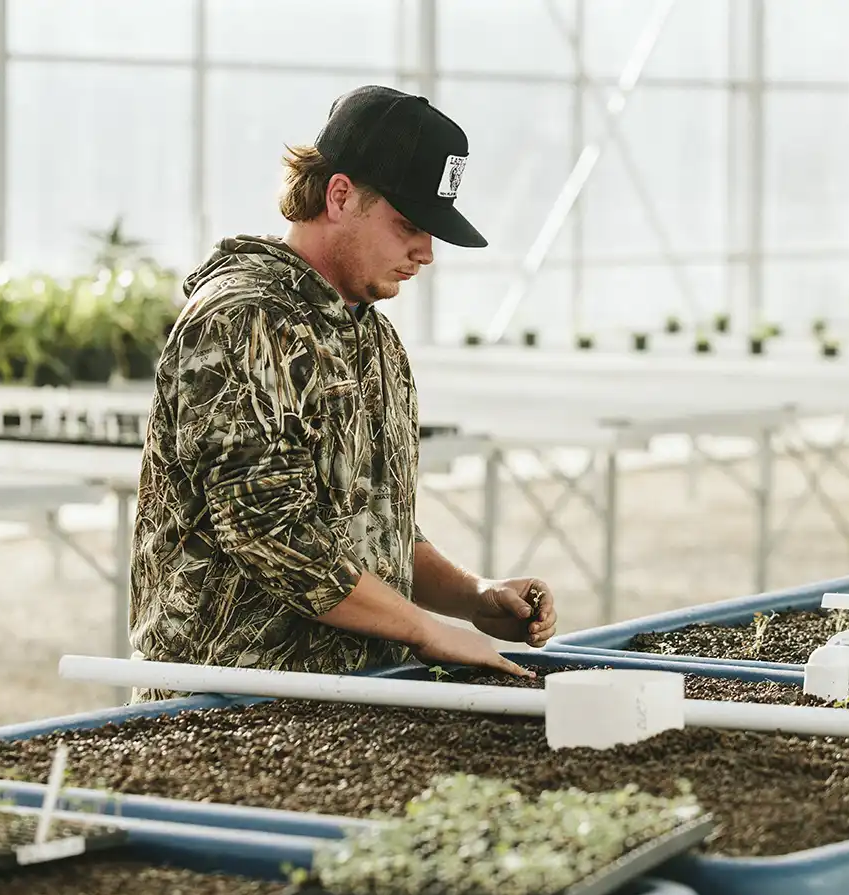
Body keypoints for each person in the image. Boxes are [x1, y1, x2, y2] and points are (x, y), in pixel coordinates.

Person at [127, 84, 557, 702]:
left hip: (349, 704)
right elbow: (275, 532)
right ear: (340, 195)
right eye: (408, 224)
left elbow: (363, 532)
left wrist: (474, 598)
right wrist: (425, 630)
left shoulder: (370, 335)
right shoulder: (242, 319)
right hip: (225, 709)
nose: (426, 253)